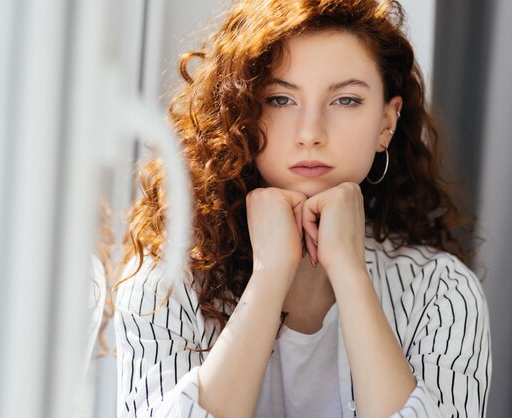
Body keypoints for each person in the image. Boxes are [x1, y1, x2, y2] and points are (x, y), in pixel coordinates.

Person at [113, 0, 491, 417]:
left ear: (386, 123)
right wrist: (270, 276)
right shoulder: (166, 285)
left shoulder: (440, 293)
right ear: (242, 113)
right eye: (279, 99)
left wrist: (350, 274)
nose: (311, 133)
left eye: (346, 100)